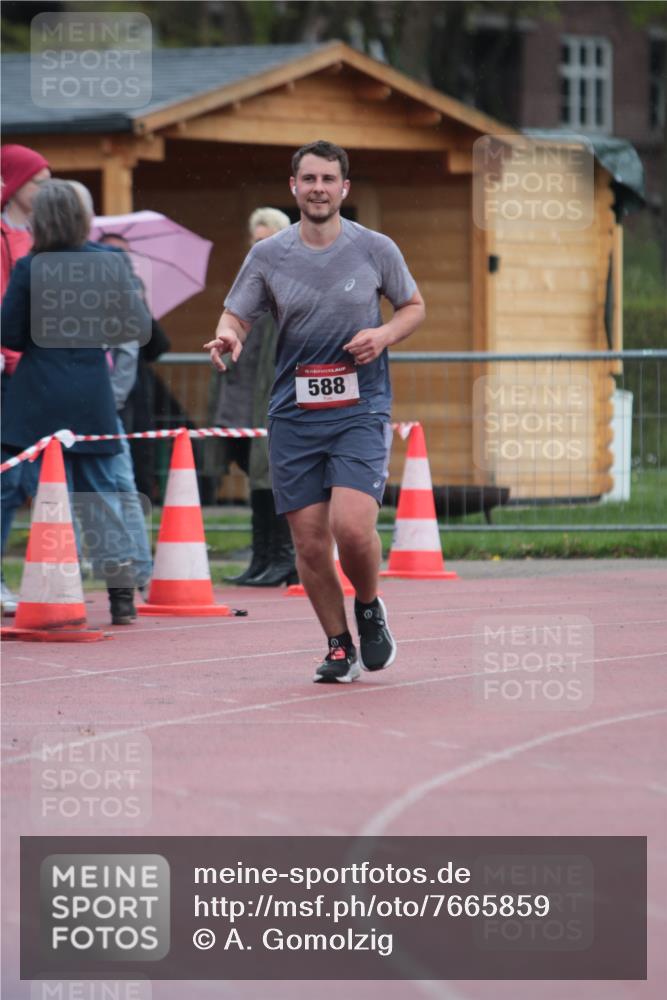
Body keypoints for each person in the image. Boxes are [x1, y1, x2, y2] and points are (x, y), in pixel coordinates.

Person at [205, 140, 425, 683]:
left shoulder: (375, 248)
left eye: (329, 180)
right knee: (308, 542)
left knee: (352, 529)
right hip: (294, 414)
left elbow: (414, 306)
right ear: (294, 188)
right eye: (309, 180)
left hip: (360, 409)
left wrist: (384, 333)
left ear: (344, 189)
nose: (319, 189)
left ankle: (369, 607)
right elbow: (236, 315)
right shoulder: (269, 254)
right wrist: (227, 337)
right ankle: (337, 646)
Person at [1, 180, 151, 625]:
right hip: (92, 394)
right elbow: (135, 323)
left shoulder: (30, 267)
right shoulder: (110, 262)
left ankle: (45, 583)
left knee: (18, 488)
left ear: (41, 221)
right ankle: (121, 595)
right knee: (101, 494)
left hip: (37, 395)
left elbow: (8, 335)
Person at [211, 207, 297, 587]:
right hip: (241, 397)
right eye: (255, 239)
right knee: (254, 475)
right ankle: (261, 557)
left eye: (267, 239)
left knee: (271, 476)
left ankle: (283, 557)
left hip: (273, 395)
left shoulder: (289, 283)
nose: (259, 246)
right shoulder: (249, 282)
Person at [0, 144, 51, 614]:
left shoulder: (43, 237)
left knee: (32, 481)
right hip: (5, 372)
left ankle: (52, 576)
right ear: (14, 186)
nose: (46, 189)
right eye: (39, 181)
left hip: (33, 374)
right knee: (9, 482)